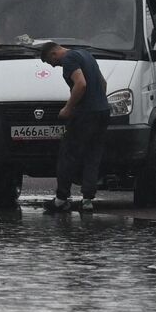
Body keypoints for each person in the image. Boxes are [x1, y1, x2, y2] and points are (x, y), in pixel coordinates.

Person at [39, 41, 111, 213]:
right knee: (92, 156)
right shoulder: (86, 55)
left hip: (85, 114)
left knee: (68, 154)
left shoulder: (69, 58)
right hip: (102, 111)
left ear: (53, 54)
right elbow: (103, 83)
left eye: (51, 62)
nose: (54, 66)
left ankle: (61, 199)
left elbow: (81, 83)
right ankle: (87, 200)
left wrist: (68, 108)